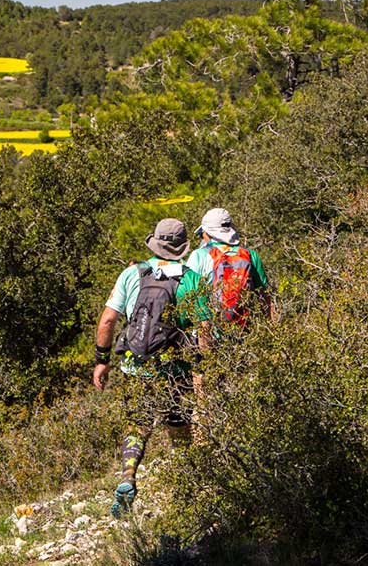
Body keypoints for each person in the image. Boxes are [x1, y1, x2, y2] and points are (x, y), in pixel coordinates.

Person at [93, 218, 204, 518]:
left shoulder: (133, 273)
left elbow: (107, 321)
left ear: (154, 243)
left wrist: (102, 360)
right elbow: (204, 328)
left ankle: (128, 475)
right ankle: (184, 496)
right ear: (182, 247)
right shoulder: (191, 279)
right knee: (179, 428)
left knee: (136, 424)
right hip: (175, 371)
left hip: (135, 366)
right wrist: (204, 369)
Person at [187, 207, 274, 442]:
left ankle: (206, 443)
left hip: (206, 335)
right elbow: (266, 298)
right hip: (243, 333)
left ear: (207, 233)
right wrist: (271, 335)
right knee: (240, 390)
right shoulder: (250, 255)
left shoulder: (198, 257)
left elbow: (187, 296)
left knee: (204, 393)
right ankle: (243, 439)